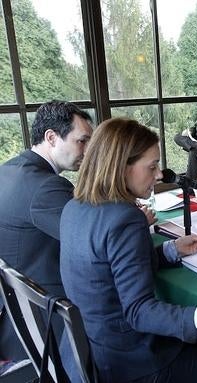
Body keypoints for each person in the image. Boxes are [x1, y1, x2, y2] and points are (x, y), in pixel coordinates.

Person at [59, 118, 197, 383]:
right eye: (152, 166)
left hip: (88, 349)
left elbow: (109, 269)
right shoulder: (125, 218)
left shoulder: (74, 207)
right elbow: (139, 311)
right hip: (129, 362)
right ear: (122, 167)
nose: (158, 175)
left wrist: (170, 250)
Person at [0, 100, 92, 365]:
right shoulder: (46, 187)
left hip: (13, 313)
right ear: (51, 137)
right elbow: (95, 241)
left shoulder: (8, 170)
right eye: (81, 141)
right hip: (48, 323)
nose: (87, 151)